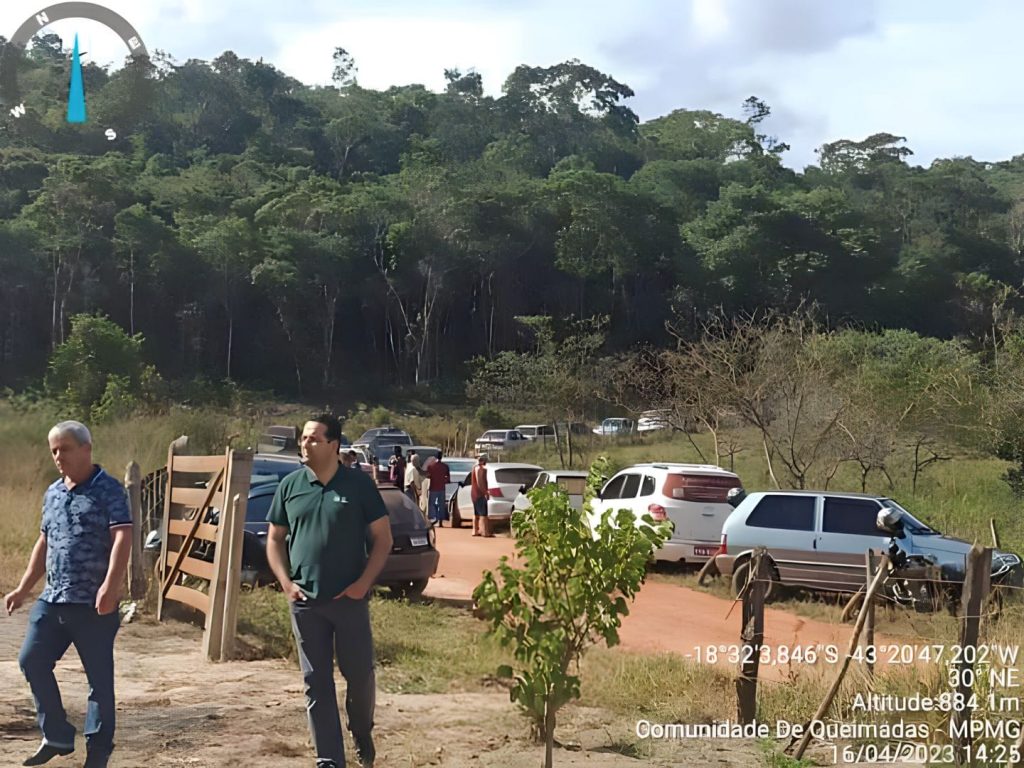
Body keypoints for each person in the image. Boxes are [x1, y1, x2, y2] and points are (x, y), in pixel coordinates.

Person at [266, 413, 392, 768]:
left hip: (349, 601)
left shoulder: (358, 486)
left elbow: (383, 539)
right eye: (303, 438)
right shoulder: (290, 486)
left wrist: (363, 584)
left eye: (314, 439)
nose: (305, 444)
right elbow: (275, 539)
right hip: (306, 604)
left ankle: (361, 731)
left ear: (334, 445)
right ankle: (329, 759)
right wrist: (286, 582)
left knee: (360, 675)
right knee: (315, 681)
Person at [4, 421, 132, 768]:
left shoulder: (109, 490)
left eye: (65, 449)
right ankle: (58, 734)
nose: (58, 456)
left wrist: (111, 586)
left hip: (93, 603)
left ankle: (98, 752)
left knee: (98, 680)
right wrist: (23, 587)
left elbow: (122, 537)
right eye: (54, 450)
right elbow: (45, 542)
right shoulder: (53, 493)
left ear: (86, 449)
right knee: (32, 660)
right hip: (54, 597)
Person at [469, 454, 493, 537]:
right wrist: (485, 492)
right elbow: (480, 483)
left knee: (476, 513)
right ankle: (485, 532)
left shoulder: (474, 468)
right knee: (483, 514)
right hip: (480, 494)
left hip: (474, 493)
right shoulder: (480, 469)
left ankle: (475, 531)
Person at [425, 451, 451, 526]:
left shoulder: (430, 466)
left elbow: (427, 476)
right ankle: (440, 521)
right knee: (441, 505)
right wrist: (444, 481)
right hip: (442, 488)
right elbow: (448, 478)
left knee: (432, 504)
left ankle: (433, 519)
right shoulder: (445, 466)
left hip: (433, 488)